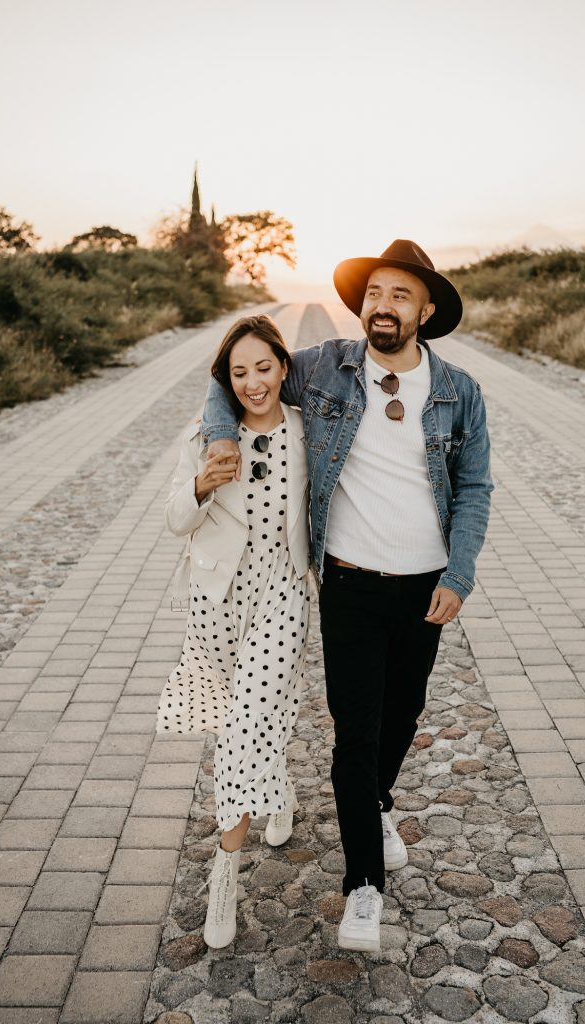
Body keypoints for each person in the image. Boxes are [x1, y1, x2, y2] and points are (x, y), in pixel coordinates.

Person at [201, 240, 493, 952]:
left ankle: (376, 802)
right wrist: (219, 439)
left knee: (403, 715)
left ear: (425, 311)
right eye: (373, 294)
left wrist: (458, 574)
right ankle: (363, 886)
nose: (382, 307)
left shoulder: (460, 392)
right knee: (355, 732)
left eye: (399, 296)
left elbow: (475, 488)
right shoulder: (325, 366)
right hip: (349, 583)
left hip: (424, 586)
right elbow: (230, 374)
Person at [157, 314, 310, 948]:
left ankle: (226, 868)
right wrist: (199, 485)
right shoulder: (205, 437)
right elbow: (173, 519)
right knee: (242, 718)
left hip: (283, 591)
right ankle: (279, 787)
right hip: (218, 598)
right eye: (239, 372)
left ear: (282, 367)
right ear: (227, 379)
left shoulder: (305, 428)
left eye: (264, 368)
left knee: (248, 720)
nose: (254, 383)